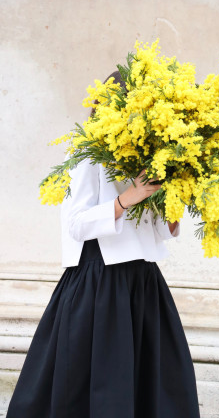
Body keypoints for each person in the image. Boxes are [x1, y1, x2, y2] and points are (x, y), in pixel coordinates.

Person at [6, 71, 201, 418]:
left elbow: (154, 230)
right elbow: (77, 223)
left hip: (143, 282)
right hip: (99, 282)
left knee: (154, 380)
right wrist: (129, 197)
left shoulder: (146, 156)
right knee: (97, 380)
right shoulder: (88, 155)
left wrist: (178, 201)